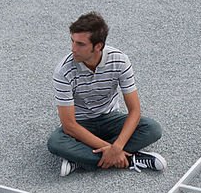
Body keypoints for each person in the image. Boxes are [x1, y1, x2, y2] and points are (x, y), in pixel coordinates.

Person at [47, 12, 165, 177]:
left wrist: (116, 148)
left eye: (80, 44)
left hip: (109, 118)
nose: (73, 48)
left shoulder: (120, 61)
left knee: (152, 129)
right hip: (81, 124)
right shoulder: (63, 71)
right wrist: (112, 150)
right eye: (72, 41)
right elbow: (69, 125)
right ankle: (131, 159)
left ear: (98, 46)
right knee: (55, 143)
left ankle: (81, 159)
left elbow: (135, 111)